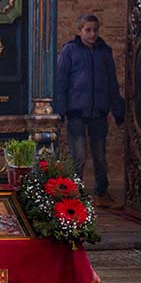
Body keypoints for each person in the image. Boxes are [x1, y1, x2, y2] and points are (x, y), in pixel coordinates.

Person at [55, 13, 125, 208]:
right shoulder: (69, 51)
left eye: (95, 30)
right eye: (88, 30)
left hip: (99, 112)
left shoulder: (104, 52)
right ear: (80, 31)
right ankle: (75, 195)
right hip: (76, 112)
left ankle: (101, 192)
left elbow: (112, 83)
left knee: (100, 156)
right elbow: (61, 82)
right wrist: (60, 111)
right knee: (78, 157)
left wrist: (117, 109)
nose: (92, 34)